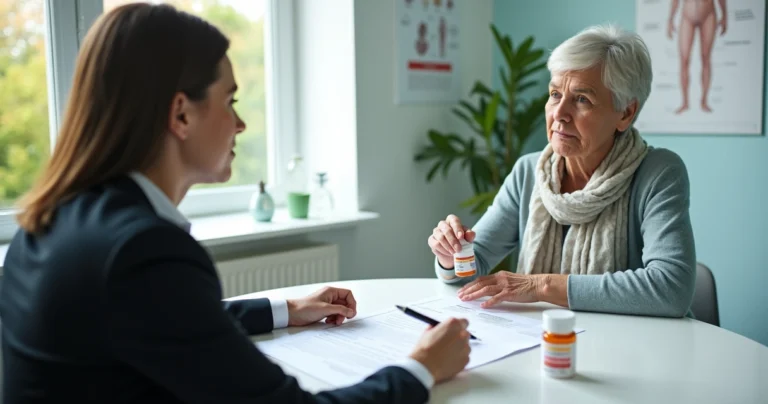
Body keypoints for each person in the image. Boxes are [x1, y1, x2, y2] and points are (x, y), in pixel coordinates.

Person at [0, 3, 471, 403]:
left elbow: (167, 320)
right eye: (230, 101)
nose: (241, 124)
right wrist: (421, 369)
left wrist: (286, 307)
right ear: (181, 114)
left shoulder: (57, 217)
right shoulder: (141, 249)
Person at [427, 24, 697, 318]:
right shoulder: (528, 171)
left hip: (632, 348)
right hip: (541, 342)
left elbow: (671, 289)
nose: (559, 114)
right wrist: (451, 256)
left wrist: (541, 285)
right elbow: (470, 270)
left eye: (582, 99)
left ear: (626, 113)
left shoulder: (658, 173)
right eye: (555, 94)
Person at [667, 0, 727, 114]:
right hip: (687, 15)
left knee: (706, 58)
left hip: (708, 13)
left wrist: (725, 16)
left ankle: (704, 101)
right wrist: (670, 19)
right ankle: (685, 102)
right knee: (684, 60)